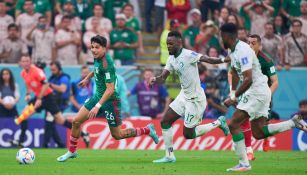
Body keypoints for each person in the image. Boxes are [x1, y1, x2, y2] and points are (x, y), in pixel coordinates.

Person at [57, 35, 159, 162]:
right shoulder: (97, 58)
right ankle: (72, 151)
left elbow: (110, 89)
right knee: (76, 121)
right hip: (97, 97)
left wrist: (97, 106)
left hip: (111, 101)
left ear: (104, 48)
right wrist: (88, 78)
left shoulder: (107, 64)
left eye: (97, 47)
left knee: (117, 135)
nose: (93, 50)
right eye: (92, 47)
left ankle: (147, 130)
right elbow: (96, 70)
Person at [220, 23, 306, 172]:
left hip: (256, 91)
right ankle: (292, 123)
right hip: (259, 92)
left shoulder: (244, 51)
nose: (221, 39)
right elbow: (234, 71)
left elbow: (248, 79)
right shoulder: (232, 50)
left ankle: (244, 164)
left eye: (222, 36)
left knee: (234, 124)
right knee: (259, 133)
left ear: (228, 36)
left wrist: (234, 97)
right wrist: (232, 91)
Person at [148, 31, 230, 163]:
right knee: (165, 122)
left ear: (179, 43)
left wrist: (223, 59)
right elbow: (163, 77)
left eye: (171, 44)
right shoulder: (171, 58)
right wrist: (155, 79)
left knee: (188, 134)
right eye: (167, 44)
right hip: (183, 95)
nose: (168, 46)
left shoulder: (188, 54)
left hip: (195, 99)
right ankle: (169, 156)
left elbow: (207, 59)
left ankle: (219, 122)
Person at [19, 55, 89, 147]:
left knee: (55, 121)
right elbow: (28, 82)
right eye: (51, 70)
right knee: (24, 115)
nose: (52, 71)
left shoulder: (64, 77)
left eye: (54, 69)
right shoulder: (25, 73)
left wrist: (48, 87)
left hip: (52, 100)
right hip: (41, 98)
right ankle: (20, 142)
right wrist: (28, 94)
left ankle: (80, 135)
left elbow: (61, 89)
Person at [0, 68, 26, 147]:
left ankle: (20, 141)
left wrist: (12, 103)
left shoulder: (14, 85)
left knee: (22, 121)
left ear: (10, 75)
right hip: (2, 108)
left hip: (12, 108)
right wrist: (4, 103)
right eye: (3, 74)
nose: (5, 76)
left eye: (7, 74)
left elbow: (17, 96)